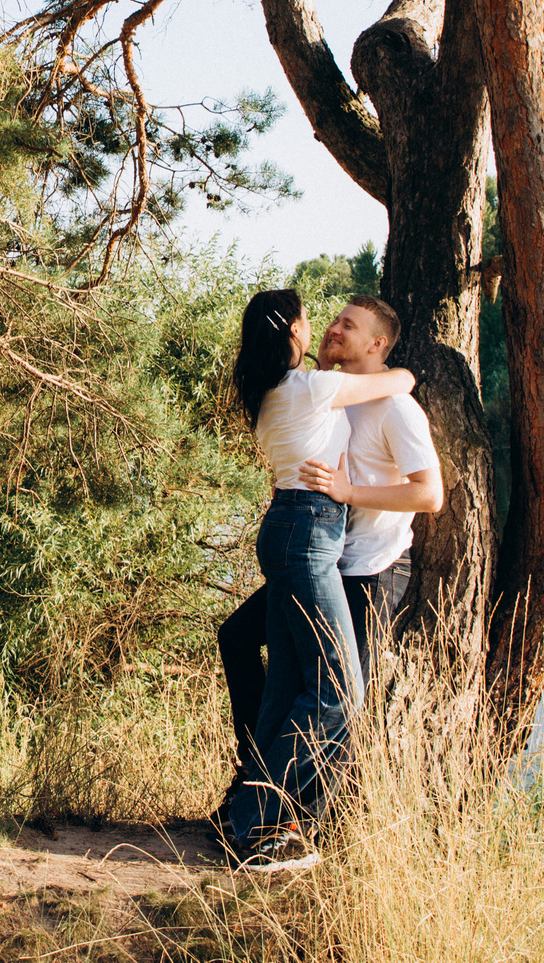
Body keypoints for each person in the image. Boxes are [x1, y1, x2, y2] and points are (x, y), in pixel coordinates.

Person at [218, 296, 443, 834]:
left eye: (349, 324)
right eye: (334, 320)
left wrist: (347, 491)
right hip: (320, 556)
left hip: (369, 570)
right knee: (294, 682)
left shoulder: (392, 407)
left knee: (337, 696)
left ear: (377, 343)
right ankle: (258, 812)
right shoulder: (326, 389)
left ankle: (289, 822)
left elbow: (430, 495)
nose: (334, 327)